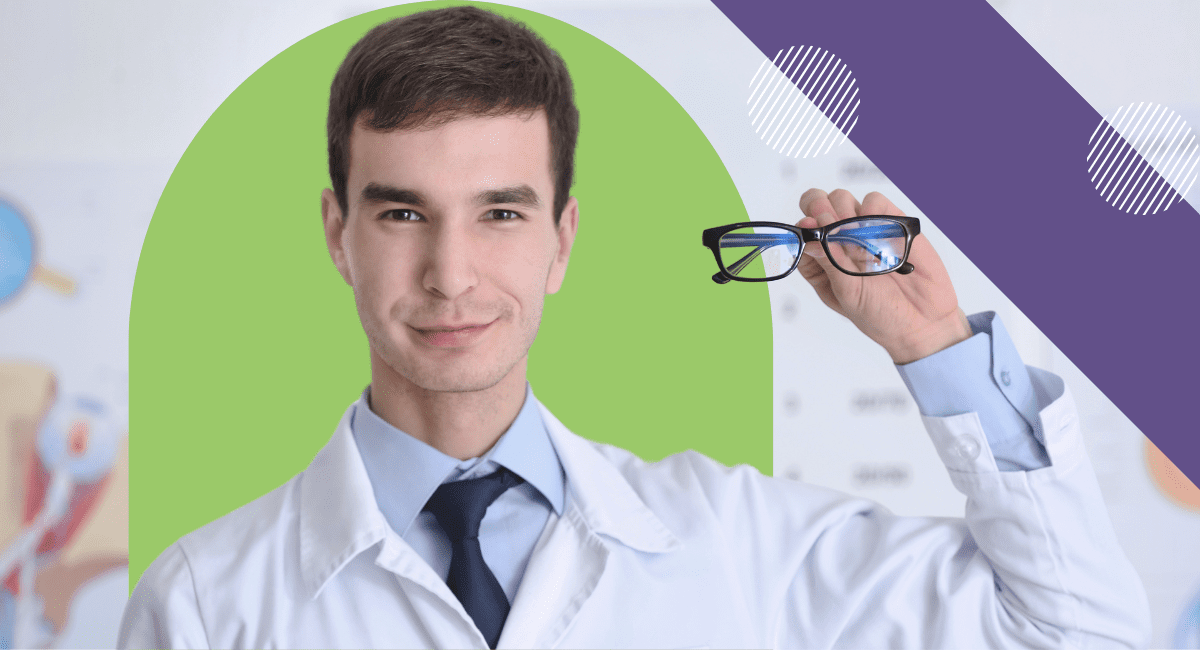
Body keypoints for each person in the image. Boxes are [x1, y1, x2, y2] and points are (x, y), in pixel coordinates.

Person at [118, 6, 1150, 649]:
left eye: (502, 212)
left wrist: (937, 352)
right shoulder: (210, 603)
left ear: (562, 239)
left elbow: (1083, 629)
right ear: (339, 233)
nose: (451, 272)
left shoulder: (733, 543)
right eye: (401, 212)